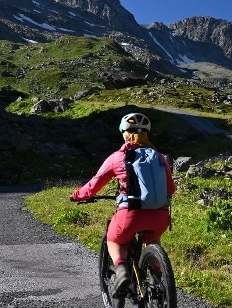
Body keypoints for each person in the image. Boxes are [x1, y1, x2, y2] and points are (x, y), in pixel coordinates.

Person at [70, 112, 175, 295]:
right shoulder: (159, 157)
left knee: (114, 239)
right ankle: (157, 281)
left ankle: (121, 271)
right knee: (153, 239)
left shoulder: (118, 157)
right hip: (160, 216)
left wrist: (78, 195)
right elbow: (171, 189)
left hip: (130, 215)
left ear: (125, 133)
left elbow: (94, 185)